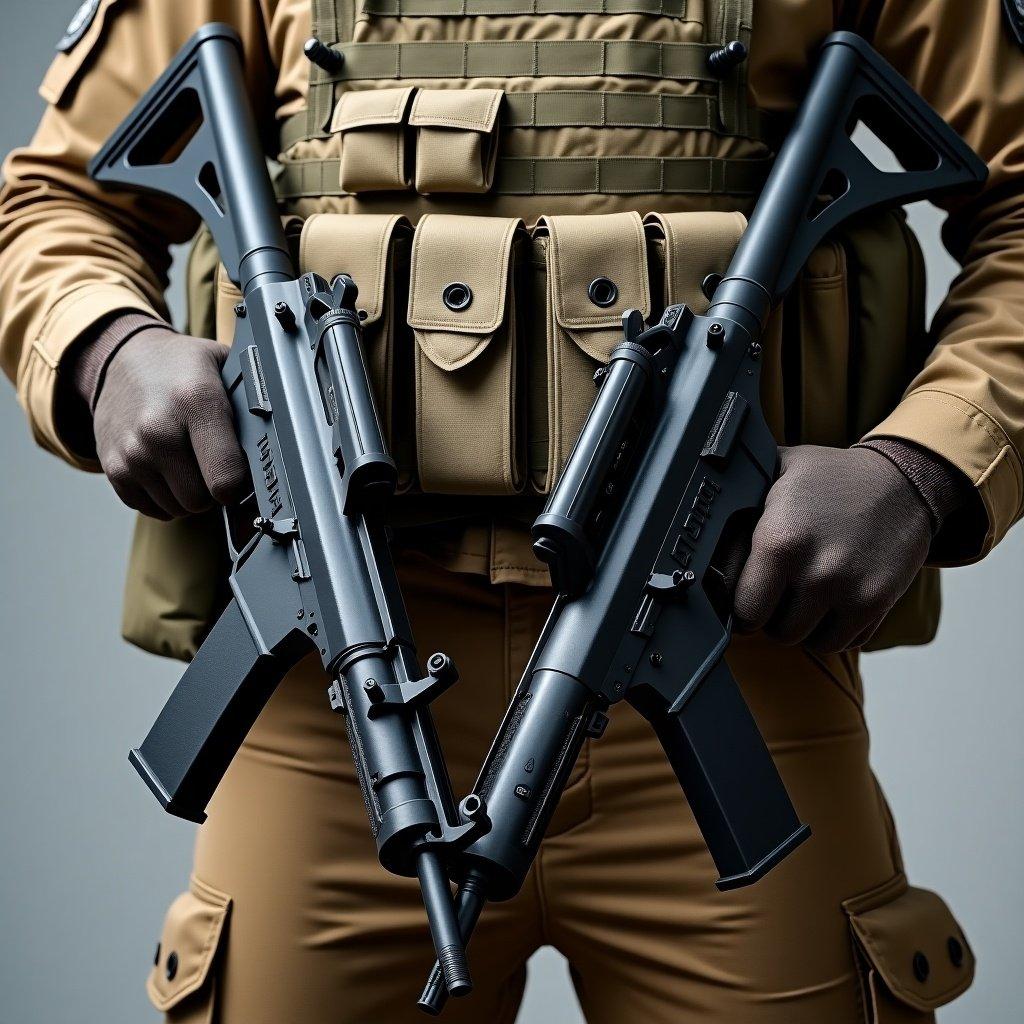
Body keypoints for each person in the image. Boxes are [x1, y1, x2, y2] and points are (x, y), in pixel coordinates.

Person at [2, 1, 1020, 1021]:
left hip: (723, 647)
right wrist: (105, 350)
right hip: (335, 695)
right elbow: (56, 204)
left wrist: (923, 466)